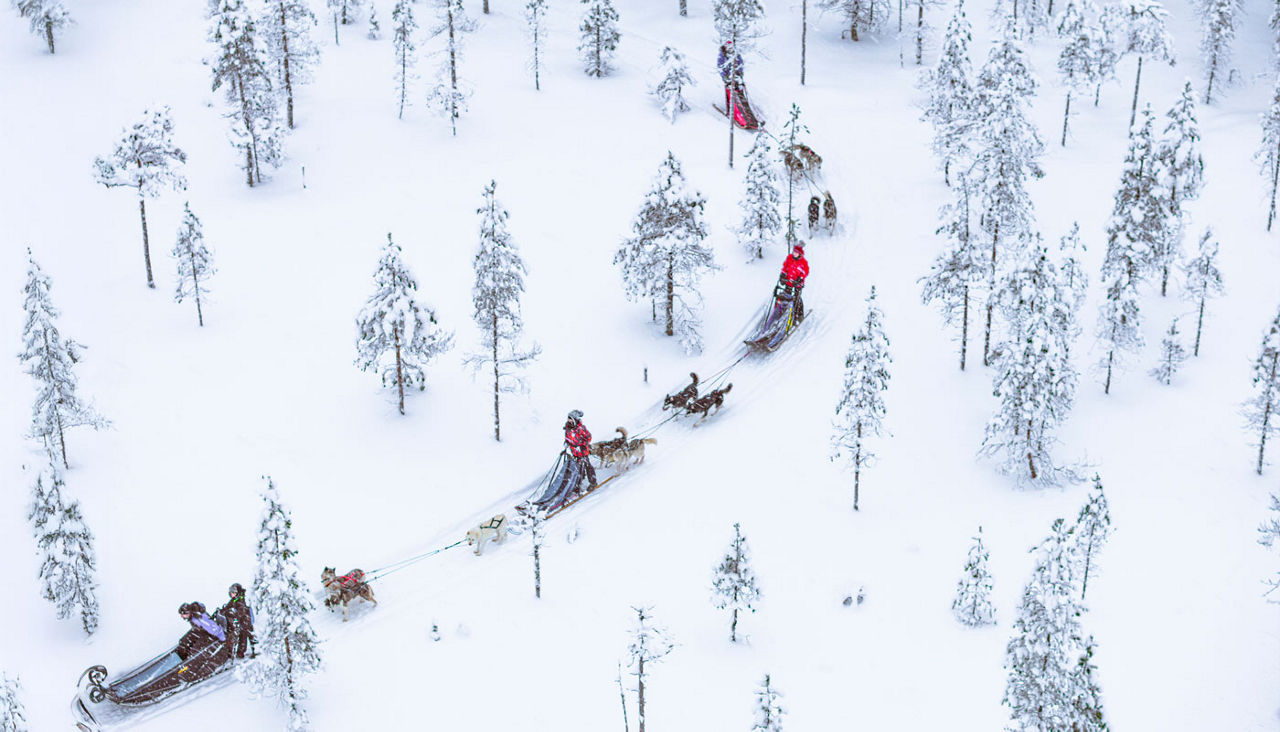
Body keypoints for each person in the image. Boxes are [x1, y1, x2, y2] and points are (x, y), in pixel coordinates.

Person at [217, 583, 254, 661]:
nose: (232, 595)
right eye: (231, 593)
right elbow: (228, 606)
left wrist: (234, 613)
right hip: (240, 621)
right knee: (237, 634)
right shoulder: (234, 600)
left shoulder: (241, 600)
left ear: (238, 592)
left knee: (243, 635)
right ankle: (234, 652)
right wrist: (222, 611)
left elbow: (241, 611)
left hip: (245, 621)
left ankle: (242, 652)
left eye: (234, 593)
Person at [563, 409, 597, 492]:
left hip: (583, 452)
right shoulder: (568, 428)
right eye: (568, 418)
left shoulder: (580, 428)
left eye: (570, 418)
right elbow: (568, 438)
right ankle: (577, 485)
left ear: (575, 419)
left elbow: (588, 437)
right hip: (574, 452)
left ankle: (593, 482)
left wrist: (582, 445)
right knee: (577, 469)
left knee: (587, 466)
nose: (569, 420)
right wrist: (567, 442)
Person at [779, 241, 810, 322]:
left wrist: (801, 278)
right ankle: (784, 311)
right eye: (794, 252)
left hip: (797, 283)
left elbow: (806, 271)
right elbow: (785, 267)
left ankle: (798, 315)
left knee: (797, 298)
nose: (794, 254)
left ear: (800, 254)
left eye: (796, 253)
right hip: (789, 280)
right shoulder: (789, 258)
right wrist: (783, 275)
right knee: (786, 295)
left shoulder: (803, 262)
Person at [717, 40, 744, 116]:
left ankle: (744, 108)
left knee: (740, 90)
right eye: (728, 47)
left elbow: (740, 64)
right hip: (728, 77)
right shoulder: (722, 55)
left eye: (731, 47)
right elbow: (720, 66)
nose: (729, 49)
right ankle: (730, 110)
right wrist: (724, 76)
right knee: (729, 92)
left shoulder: (736, 54)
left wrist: (740, 73)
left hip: (736, 76)